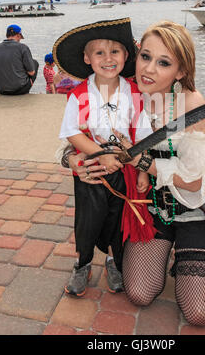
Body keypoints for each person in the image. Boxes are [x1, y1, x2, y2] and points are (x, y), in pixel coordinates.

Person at [64, 21, 205, 327]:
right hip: (149, 208)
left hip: (192, 207)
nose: (149, 69)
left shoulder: (188, 104)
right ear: (134, 55)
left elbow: (194, 180)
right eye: (145, 56)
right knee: (138, 293)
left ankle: (200, 253)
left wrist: (144, 164)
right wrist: (72, 159)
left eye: (163, 62)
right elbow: (86, 130)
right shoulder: (129, 90)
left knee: (199, 313)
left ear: (180, 71)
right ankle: (165, 251)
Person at [55, 18, 152, 297]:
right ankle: (82, 262)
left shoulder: (134, 93)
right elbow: (73, 134)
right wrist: (100, 154)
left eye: (115, 51)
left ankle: (114, 260)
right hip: (91, 171)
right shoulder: (79, 95)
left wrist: (143, 171)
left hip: (124, 172)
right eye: (99, 52)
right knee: (88, 220)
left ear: (126, 56)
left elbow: (143, 135)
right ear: (87, 58)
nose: (108, 59)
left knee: (117, 217)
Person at [0, 24, 39, 95]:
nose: (19, 40)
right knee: (35, 63)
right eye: (20, 38)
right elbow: (31, 72)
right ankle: (26, 85)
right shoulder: (23, 47)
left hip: (2, 90)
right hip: (20, 90)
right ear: (18, 35)